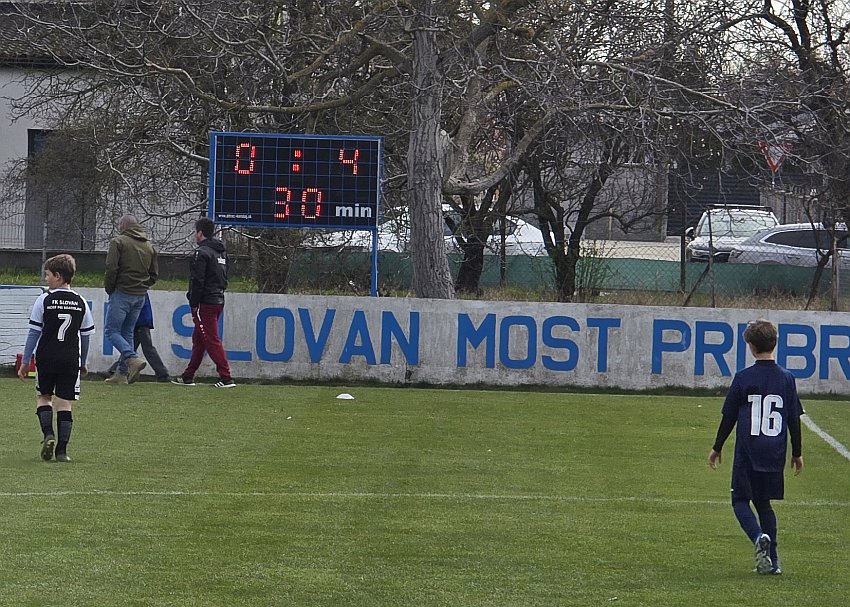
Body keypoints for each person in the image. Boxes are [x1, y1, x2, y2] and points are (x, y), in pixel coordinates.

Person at [708, 319, 804, 576]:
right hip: (774, 452)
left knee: (740, 500)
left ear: (750, 346)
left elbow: (729, 416)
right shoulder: (786, 378)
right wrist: (797, 453)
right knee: (764, 503)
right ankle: (773, 562)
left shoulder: (743, 378)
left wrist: (717, 447)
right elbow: (793, 419)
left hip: (748, 452)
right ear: (775, 343)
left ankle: (758, 536)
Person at [18, 254, 95, 463]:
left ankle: (48, 434)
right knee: (64, 403)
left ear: (58, 276)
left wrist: (25, 362)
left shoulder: (44, 299)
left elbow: (34, 333)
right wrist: (82, 362)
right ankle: (62, 451)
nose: (46, 279)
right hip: (70, 358)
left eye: (48, 275)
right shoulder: (80, 301)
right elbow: (86, 336)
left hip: (46, 357)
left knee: (44, 397)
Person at [172, 217, 236, 388]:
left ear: (200, 233)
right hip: (218, 299)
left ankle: (226, 377)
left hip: (205, 302)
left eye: (195, 232)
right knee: (199, 338)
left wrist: (193, 302)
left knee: (211, 339)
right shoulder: (221, 252)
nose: (195, 235)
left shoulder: (201, 253)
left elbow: (197, 280)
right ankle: (188, 375)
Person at [104, 214, 158, 385]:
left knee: (111, 331)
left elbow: (111, 268)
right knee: (127, 332)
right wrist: (142, 286)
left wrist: (110, 288)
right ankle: (122, 373)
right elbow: (154, 274)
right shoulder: (149, 246)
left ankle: (132, 358)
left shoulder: (118, 242)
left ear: (123, 226)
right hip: (140, 296)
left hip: (122, 292)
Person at [106, 293, 170, 382]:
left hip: (140, 323)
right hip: (142, 321)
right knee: (132, 348)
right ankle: (116, 370)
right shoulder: (141, 292)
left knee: (145, 348)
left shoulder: (134, 294)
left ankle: (162, 374)